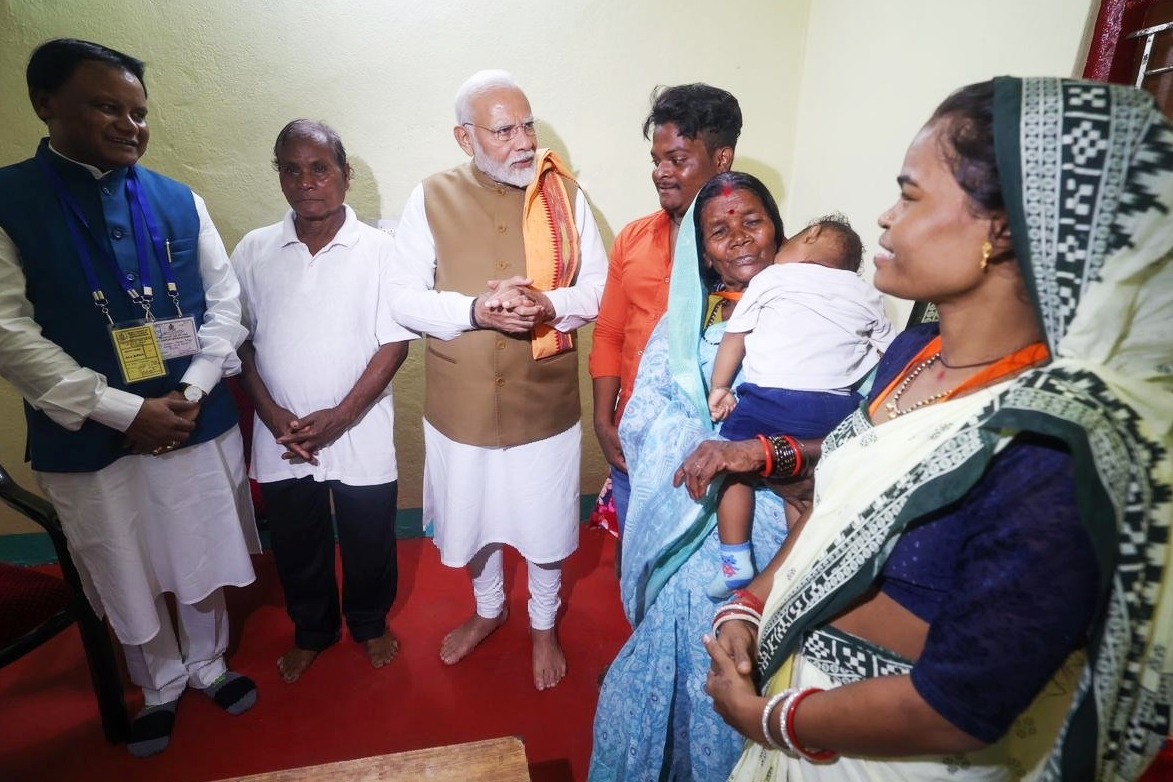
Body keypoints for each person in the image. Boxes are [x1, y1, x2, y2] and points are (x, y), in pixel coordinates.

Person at [697, 77, 1172, 782]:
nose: (885, 217)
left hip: (898, 757)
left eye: (911, 196)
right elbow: (838, 509)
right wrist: (749, 604)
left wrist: (770, 719)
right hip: (802, 691)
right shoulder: (912, 354)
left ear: (1001, 228)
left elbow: (961, 703)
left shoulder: (1050, 446)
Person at [0, 39, 261, 757]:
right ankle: (160, 681)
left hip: (193, 414)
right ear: (46, 104)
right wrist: (126, 411)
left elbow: (226, 305)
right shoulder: (9, 200)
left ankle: (209, 662)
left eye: (139, 112)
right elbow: (8, 333)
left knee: (199, 545)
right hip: (89, 432)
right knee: (121, 557)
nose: (129, 125)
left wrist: (192, 388)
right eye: (106, 106)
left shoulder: (179, 199)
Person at [591, 173, 819, 781]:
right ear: (704, 253)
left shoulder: (818, 310)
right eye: (719, 231)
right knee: (693, 612)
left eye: (752, 221)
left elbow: (854, 414)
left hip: (787, 507)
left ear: (777, 229)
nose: (739, 238)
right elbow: (645, 416)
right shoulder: (686, 322)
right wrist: (709, 445)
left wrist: (756, 453)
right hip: (695, 507)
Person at [386, 70, 606, 691]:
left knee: (546, 521)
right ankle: (488, 610)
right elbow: (401, 298)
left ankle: (543, 624)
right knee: (472, 518)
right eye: (504, 130)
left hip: (545, 399)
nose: (524, 142)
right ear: (466, 138)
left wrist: (550, 305)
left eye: (527, 126)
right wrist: (475, 312)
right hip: (463, 405)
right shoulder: (431, 196)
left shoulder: (564, 196)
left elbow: (599, 288)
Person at [232, 120, 413, 684]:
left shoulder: (382, 251)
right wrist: (270, 414)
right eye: (292, 169)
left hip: (360, 426)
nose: (306, 181)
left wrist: (340, 417)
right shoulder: (254, 250)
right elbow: (239, 339)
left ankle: (369, 622)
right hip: (282, 432)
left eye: (320, 168)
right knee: (296, 539)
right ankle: (312, 631)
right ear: (279, 176)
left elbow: (395, 343)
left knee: (369, 536)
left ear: (345, 175)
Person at [706, 214, 892, 594]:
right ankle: (796, 571)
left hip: (768, 400)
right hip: (833, 412)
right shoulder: (865, 292)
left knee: (733, 466)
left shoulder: (772, 278)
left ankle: (735, 562)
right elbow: (889, 351)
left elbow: (735, 335)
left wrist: (720, 387)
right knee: (806, 487)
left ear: (812, 236)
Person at [589, 83, 741, 529]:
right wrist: (603, 421)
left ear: (721, 160)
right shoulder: (633, 238)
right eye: (657, 161)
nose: (661, 173)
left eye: (677, 160)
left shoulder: (748, 249)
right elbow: (610, 334)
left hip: (705, 448)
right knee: (632, 560)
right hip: (633, 436)